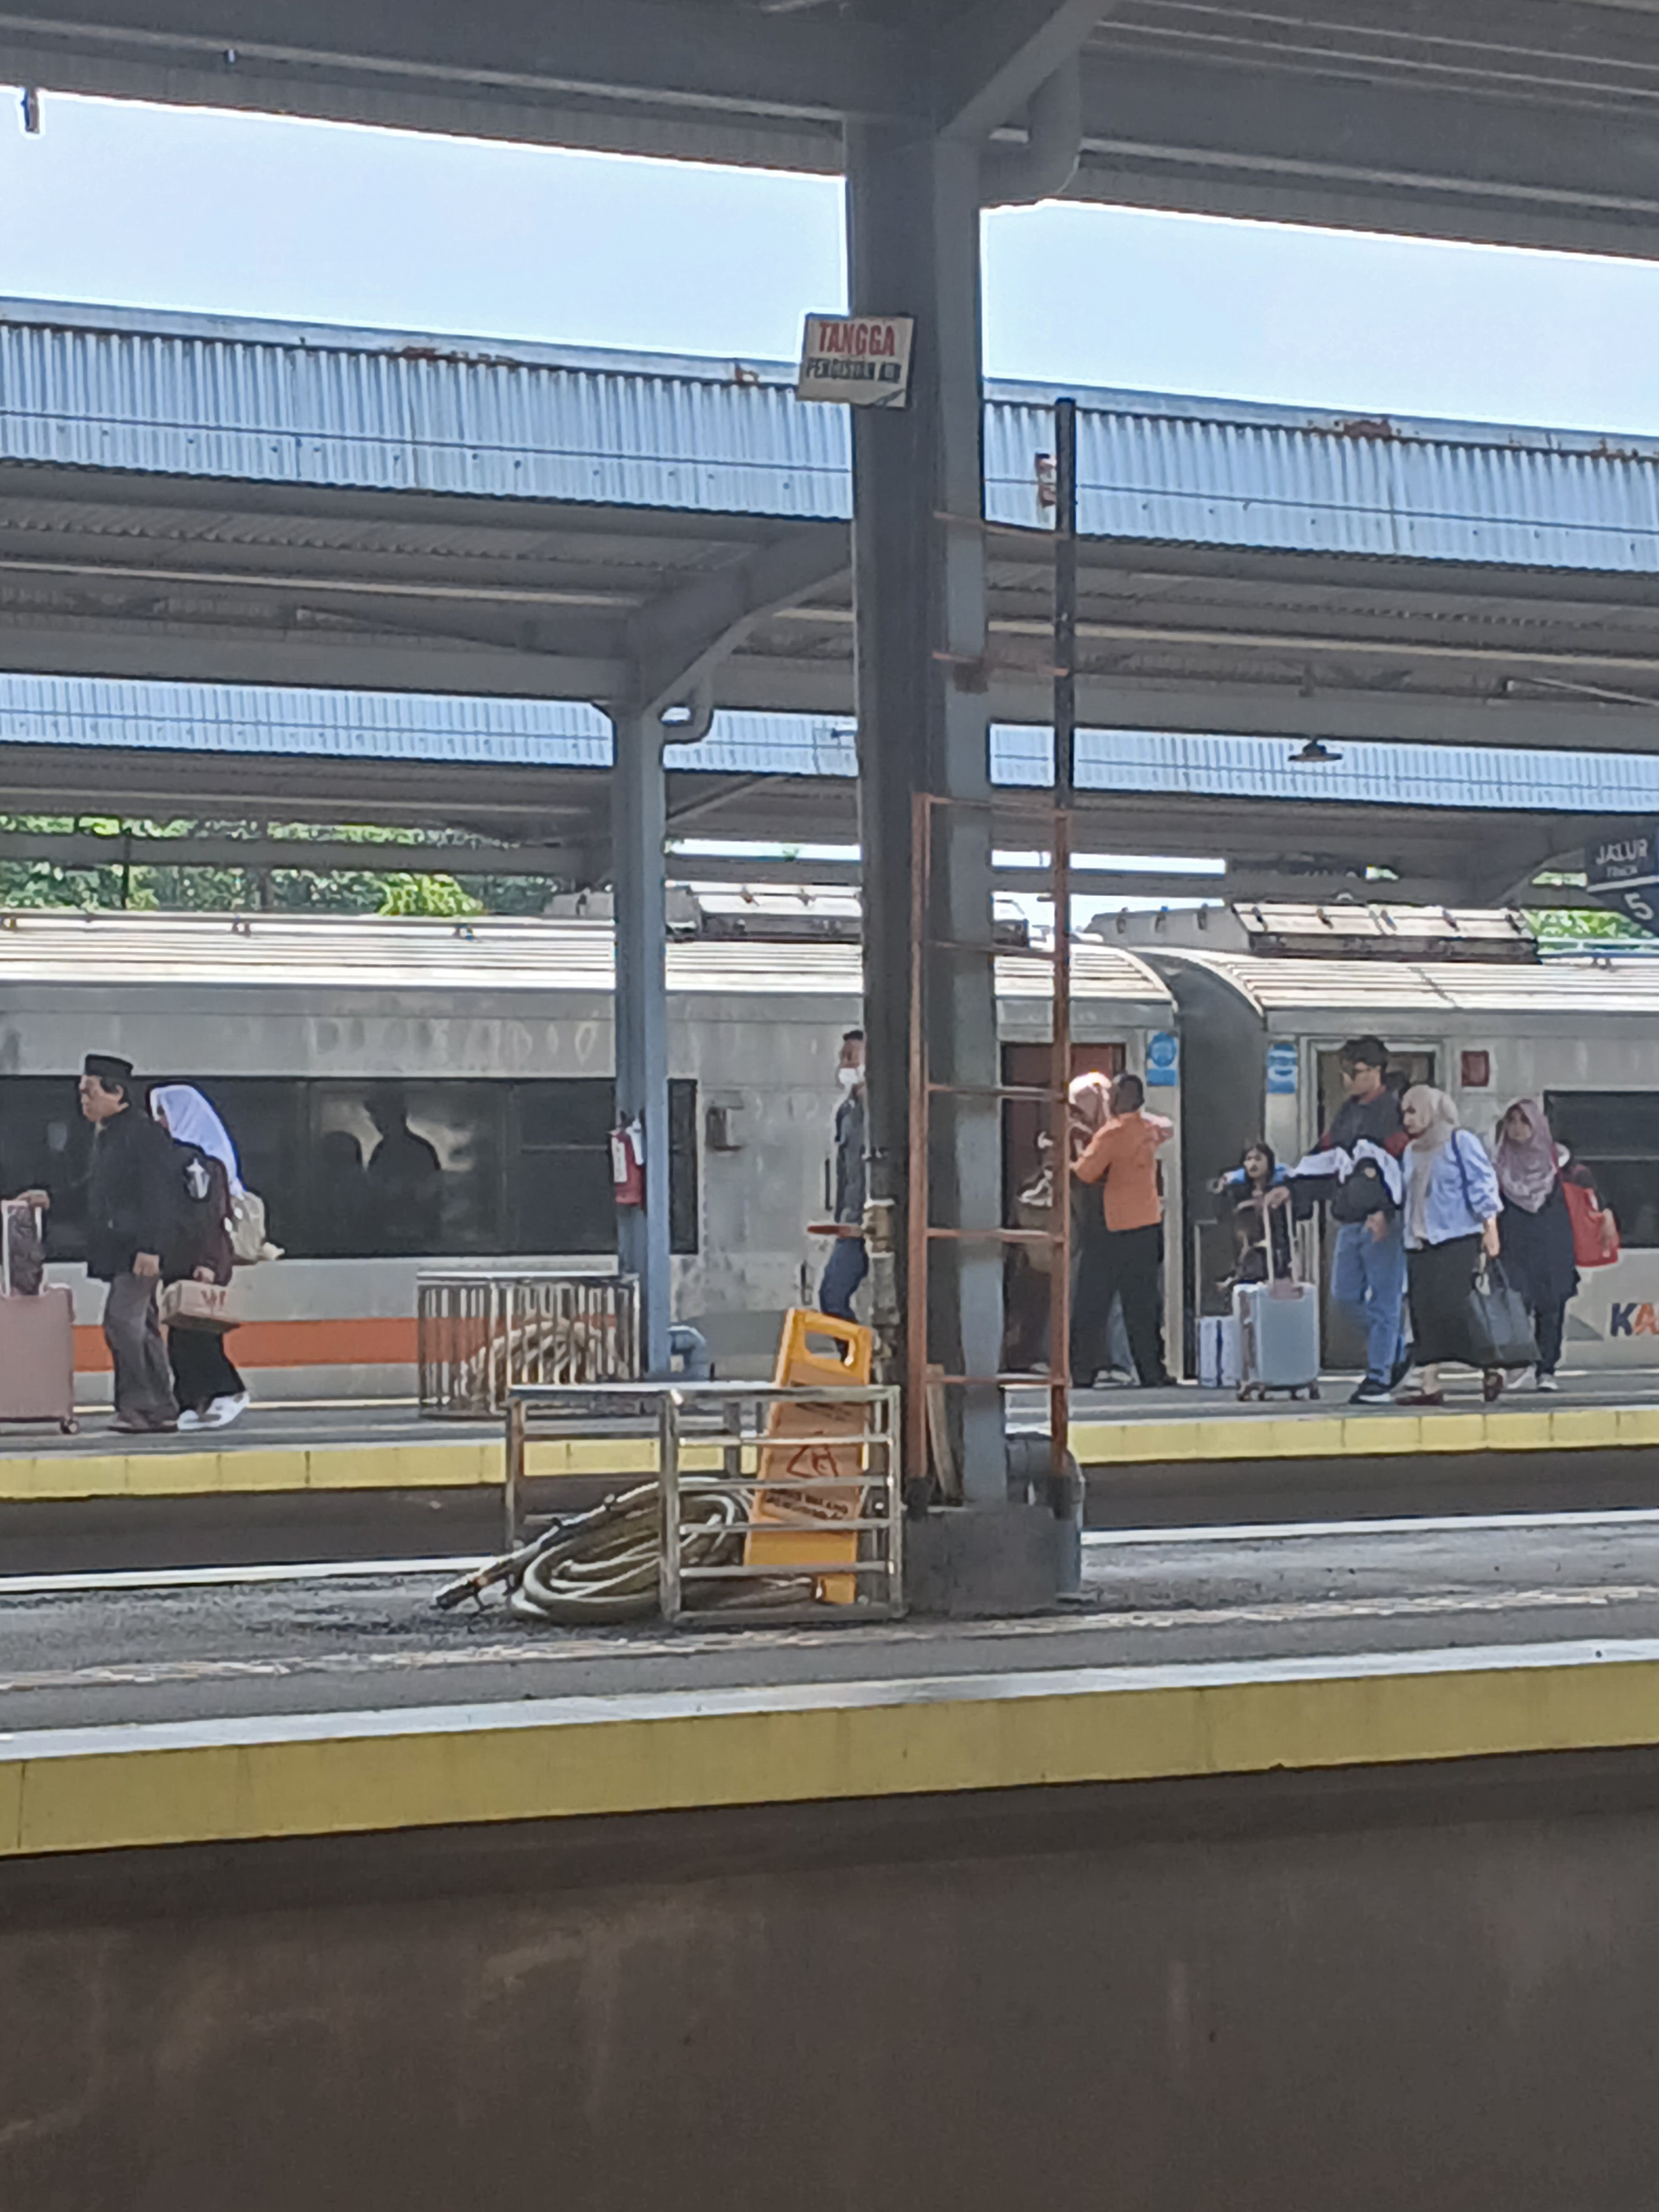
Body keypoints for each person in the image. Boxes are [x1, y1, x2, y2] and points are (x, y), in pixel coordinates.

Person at [1290, 1035, 1410, 1409]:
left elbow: (1405, 1168)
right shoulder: (1348, 1112)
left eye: (1355, 1072)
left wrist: (1388, 1210)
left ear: (1376, 1071)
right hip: (1350, 1216)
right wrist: (1291, 1185)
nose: (1347, 1080)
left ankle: (1379, 1377)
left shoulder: (1393, 1113)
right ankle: (1395, 1349)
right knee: (1344, 1298)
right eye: (1346, 1072)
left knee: (1384, 1300)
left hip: (1382, 1220)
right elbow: (1324, 1154)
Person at [79, 1053, 183, 1435]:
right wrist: (51, 1198)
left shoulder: (142, 1135)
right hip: (124, 1248)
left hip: (137, 1249)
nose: (84, 1101)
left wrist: (151, 1247)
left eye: (90, 1092)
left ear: (117, 1091)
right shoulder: (110, 1135)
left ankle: (138, 1406)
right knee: (142, 1327)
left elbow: (158, 1195)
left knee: (122, 1323)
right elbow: (95, 1191)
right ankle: (160, 1407)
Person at [1397, 1085, 1505, 1406]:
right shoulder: (1412, 1151)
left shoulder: (1460, 1142)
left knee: (1454, 1307)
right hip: (1419, 1241)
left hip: (1456, 1238)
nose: (1407, 1119)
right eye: (1405, 1112)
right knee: (1422, 1311)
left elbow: (1483, 1182)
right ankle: (1428, 1383)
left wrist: (1490, 1226)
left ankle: (1490, 1364)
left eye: (1413, 1111)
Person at [150, 1085, 250, 1430]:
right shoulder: (178, 1159)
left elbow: (207, 1219)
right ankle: (192, 1401)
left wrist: (207, 1264)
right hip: (181, 1260)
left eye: (163, 1114)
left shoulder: (202, 1163)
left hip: (201, 1261)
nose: (159, 1122)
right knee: (181, 1333)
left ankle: (229, 1391)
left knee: (200, 1334)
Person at [1072, 1071, 1174, 1388]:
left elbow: (1086, 1173)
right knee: (1143, 1305)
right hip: (1148, 1225)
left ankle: (1081, 1370)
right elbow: (1167, 1127)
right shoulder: (1150, 1130)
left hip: (1112, 1229)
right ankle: (1152, 1371)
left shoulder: (1110, 1134)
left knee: (1092, 1303)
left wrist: (1068, 1160)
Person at [1493, 1097, 1578, 1393]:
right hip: (1513, 1246)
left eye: (1523, 1121)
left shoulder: (1561, 1162)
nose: (1517, 1128)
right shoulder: (1498, 1165)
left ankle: (1546, 1369)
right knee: (1514, 1305)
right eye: (1511, 1121)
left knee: (1552, 1306)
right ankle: (1515, 1364)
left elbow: (1587, 1189)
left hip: (1553, 1245)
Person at [819, 1029, 867, 1320]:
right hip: (852, 1222)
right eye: (842, 1058)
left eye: (851, 1057)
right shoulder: (846, 1112)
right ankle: (856, 1364)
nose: (844, 1066)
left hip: (885, 1223)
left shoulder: (887, 1112)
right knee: (832, 1297)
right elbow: (844, 1170)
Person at [364, 1086, 443, 1252]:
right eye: (375, 1116)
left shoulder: (420, 1150)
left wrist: (399, 1191)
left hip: (414, 1236)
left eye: (380, 1115)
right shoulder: (382, 1150)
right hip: (387, 1233)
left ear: (397, 1115)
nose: (376, 1122)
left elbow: (429, 1190)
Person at [1211, 1141, 1288, 1287]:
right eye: (1249, 1159)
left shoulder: (1278, 1192)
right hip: (1246, 1257)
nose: (1253, 1163)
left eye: (1258, 1159)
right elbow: (1225, 1217)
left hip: (1276, 1256)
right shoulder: (1237, 1191)